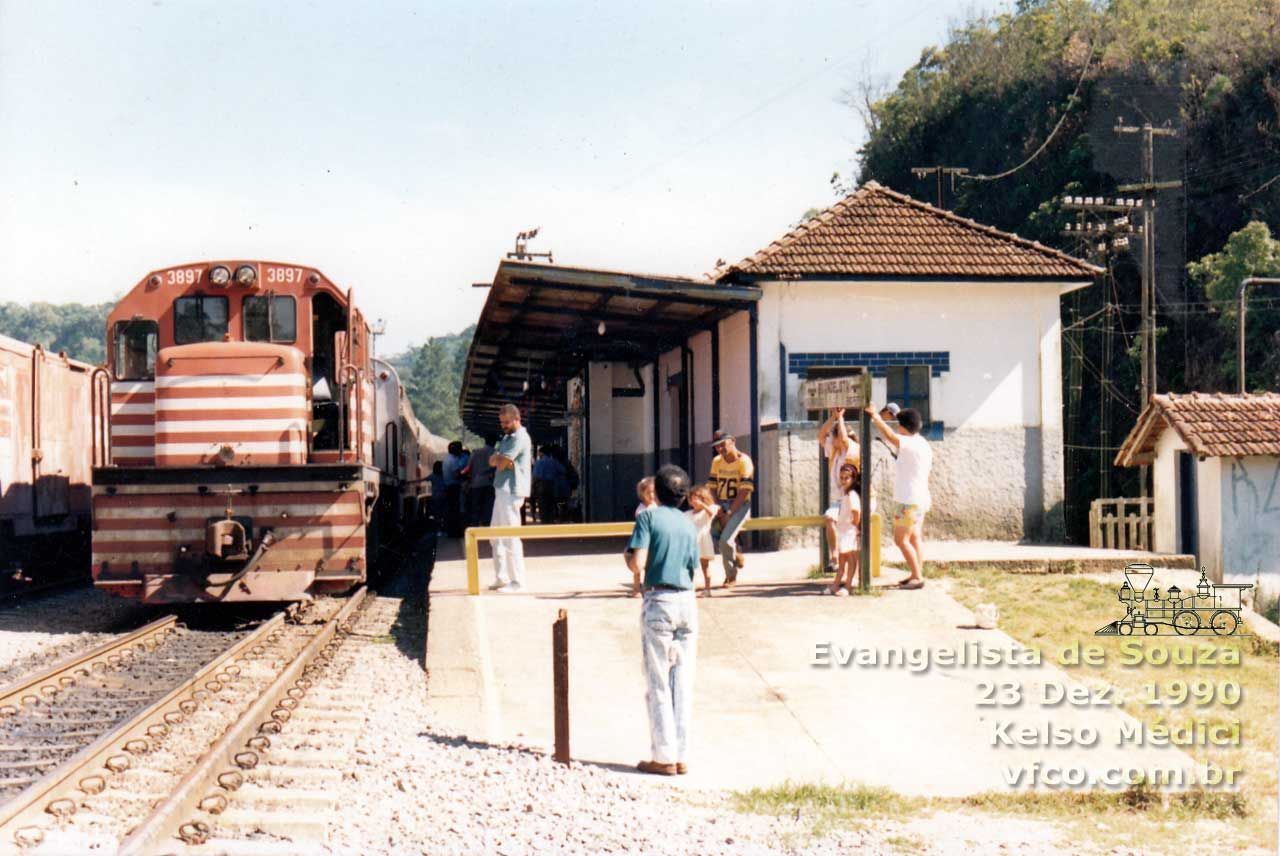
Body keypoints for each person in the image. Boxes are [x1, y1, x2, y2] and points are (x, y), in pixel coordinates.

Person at [623, 464, 700, 776]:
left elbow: (637, 564)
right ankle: (680, 754)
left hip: (659, 600)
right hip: (687, 601)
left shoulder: (647, 518)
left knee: (657, 679)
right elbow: (693, 568)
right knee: (681, 680)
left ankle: (663, 756)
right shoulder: (688, 524)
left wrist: (627, 557)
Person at [866, 404, 932, 589]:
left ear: (903, 427)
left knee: (901, 540)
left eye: (899, 424)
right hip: (920, 498)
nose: (897, 427)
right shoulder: (922, 443)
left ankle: (917, 577)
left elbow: (891, 437)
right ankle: (915, 573)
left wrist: (876, 418)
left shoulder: (908, 443)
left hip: (908, 500)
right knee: (914, 538)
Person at [489, 404, 533, 592]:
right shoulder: (507, 437)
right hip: (502, 489)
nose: (504, 425)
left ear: (517, 419)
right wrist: (498, 459)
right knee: (495, 535)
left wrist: (498, 459)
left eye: (507, 422)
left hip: (512, 490)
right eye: (501, 422)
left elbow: (503, 462)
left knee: (510, 535)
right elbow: (494, 461)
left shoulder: (520, 437)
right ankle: (502, 577)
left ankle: (517, 581)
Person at [816, 407, 859, 576]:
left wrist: (840, 418)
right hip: (840, 499)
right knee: (830, 518)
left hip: (853, 497)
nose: (831, 440)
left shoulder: (852, 448)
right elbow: (821, 435)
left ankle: (846, 564)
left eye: (833, 437)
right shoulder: (835, 450)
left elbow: (843, 438)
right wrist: (833, 418)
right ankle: (834, 556)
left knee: (849, 530)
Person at [707, 430, 753, 586]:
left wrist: (730, 512)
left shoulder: (744, 461)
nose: (720, 449)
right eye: (717, 447)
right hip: (721, 502)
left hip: (740, 504)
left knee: (725, 541)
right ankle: (736, 555)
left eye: (722, 445)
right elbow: (712, 486)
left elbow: (745, 490)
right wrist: (717, 506)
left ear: (733, 440)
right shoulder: (716, 461)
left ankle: (731, 576)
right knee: (710, 533)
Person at [825, 462, 869, 597]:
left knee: (850, 559)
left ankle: (848, 585)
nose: (843, 481)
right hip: (843, 530)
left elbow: (856, 512)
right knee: (842, 559)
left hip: (849, 530)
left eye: (846, 478)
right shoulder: (845, 494)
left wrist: (855, 525)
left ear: (853, 479)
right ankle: (836, 584)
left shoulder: (852, 495)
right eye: (842, 478)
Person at [684, 485, 721, 596]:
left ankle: (707, 588)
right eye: (692, 499)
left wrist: (703, 506)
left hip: (703, 541)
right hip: (692, 542)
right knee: (689, 566)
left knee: (705, 566)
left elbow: (711, 513)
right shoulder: (687, 514)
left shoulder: (709, 509)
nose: (695, 501)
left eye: (698, 498)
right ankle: (690, 587)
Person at [467, 434, 498, 527]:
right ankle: (486, 522)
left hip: (476, 482)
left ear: (485, 441)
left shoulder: (476, 452)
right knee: (488, 504)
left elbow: (469, 467)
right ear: (494, 443)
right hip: (490, 482)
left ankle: (475, 523)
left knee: (476, 504)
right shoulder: (496, 453)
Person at [443, 441, 470, 538]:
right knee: (456, 511)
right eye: (459, 449)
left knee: (451, 510)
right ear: (456, 450)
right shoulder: (453, 460)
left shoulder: (446, 459)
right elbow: (456, 475)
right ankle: (456, 533)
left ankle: (451, 532)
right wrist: (466, 475)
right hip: (454, 487)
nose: (460, 451)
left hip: (448, 487)